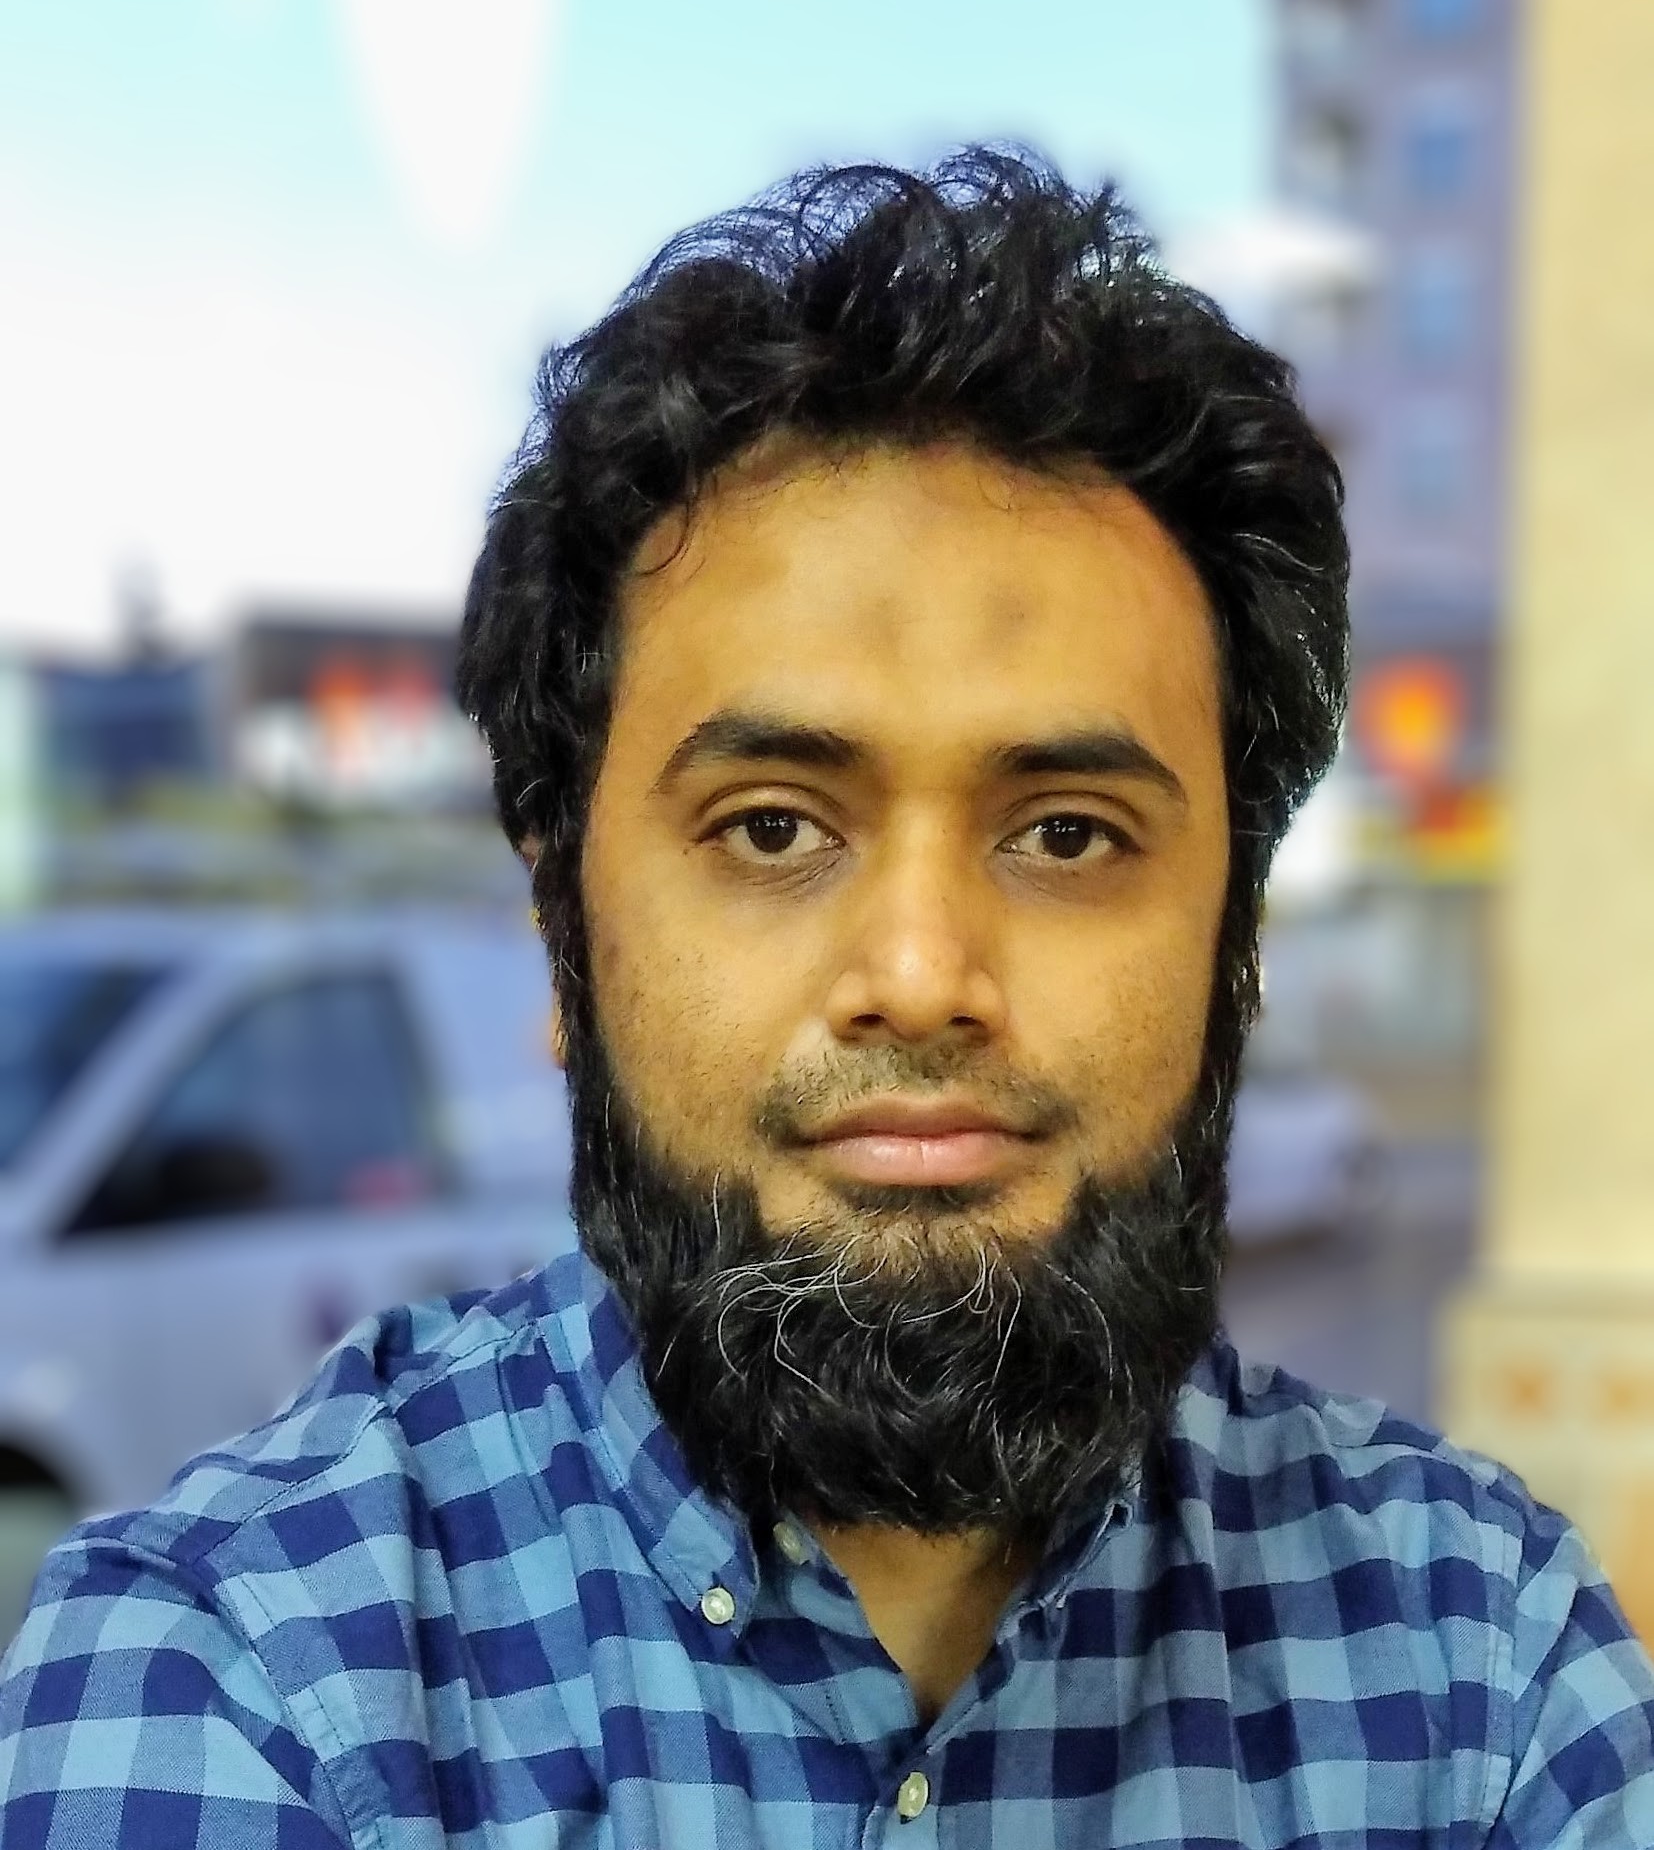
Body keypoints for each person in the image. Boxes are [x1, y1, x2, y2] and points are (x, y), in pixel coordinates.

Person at [3, 148, 1651, 1848]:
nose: (923, 978)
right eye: (774, 827)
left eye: (1068, 832)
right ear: (563, 931)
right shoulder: (242, 1678)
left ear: (1235, 946)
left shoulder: (1482, 1670)